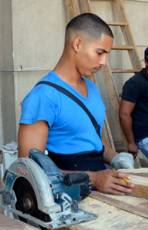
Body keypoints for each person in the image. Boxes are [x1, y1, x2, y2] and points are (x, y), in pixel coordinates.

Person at [18, 13, 134, 195]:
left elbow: (92, 135)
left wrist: (116, 158)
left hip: (103, 186)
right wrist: (94, 179)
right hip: (67, 195)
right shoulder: (43, 96)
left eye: (106, 55)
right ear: (78, 44)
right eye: (100, 52)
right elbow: (29, 170)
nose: (104, 62)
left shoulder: (92, 88)